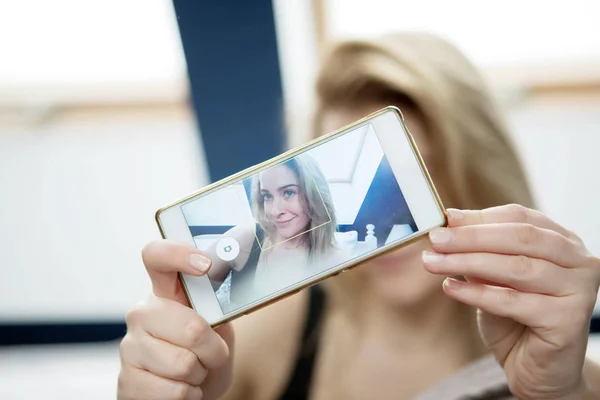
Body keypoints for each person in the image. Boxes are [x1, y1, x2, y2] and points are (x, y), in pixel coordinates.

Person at [117, 32, 600, 400]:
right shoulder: (270, 335)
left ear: (479, 170)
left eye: (413, 177)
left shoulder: (573, 375)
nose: (376, 218)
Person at [205, 154, 346, 312]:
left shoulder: (337, 261)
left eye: (288, 193)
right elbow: (192, 289)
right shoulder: (249, 236)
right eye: (267, 196)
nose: (275, 211)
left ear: (314, 195)